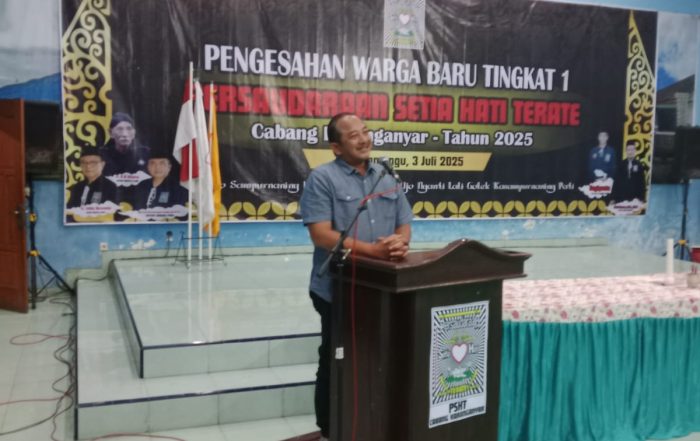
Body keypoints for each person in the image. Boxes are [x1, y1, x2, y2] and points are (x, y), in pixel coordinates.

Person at [299, 113, 413, 440]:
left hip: (383, 288)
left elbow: (404, 222)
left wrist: (399, 243)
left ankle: (375, 422)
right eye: (353, 136)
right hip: (337, 289)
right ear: (336, 147)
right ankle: (330, 430)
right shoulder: (322, 178)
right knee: (336, 361)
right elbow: (321, 235)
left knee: (380, 357)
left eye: (365, 132)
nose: (364, 139)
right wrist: (373, 251)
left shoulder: (386, 175)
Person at [100, 112, 150, 178]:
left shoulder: (145, 154)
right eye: (119, 129)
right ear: (110, 132)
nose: (125, 134)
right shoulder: (101, 155)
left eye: (129, 129)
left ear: (134, 133)